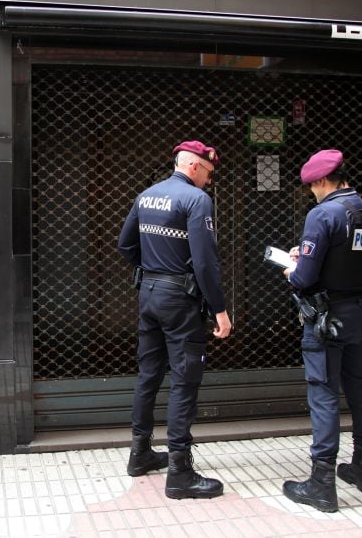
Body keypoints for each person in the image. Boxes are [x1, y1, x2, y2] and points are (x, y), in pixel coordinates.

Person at [117, 140, 232, 500]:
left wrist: (152, 270)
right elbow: (205, 262)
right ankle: (180, 471)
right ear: (195, 166)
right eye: (208, 174)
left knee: (149, 373)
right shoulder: (196, 201)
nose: (209, 182)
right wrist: (220, 310)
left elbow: (125, 245)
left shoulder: (146, 195)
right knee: (185, 378)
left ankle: (140, 454)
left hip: (149, 294)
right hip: (180, 300)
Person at [282, 149, 362, 512]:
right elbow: (349, 260)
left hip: (327, 318)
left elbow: (305, 278)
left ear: (323, 181)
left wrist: (293, 269)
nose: (311, 192)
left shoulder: (322, 213)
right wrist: (307, 257)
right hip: (361, 311)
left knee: (323, 391)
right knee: (359, 386)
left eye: (311, 186)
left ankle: (321, 483)